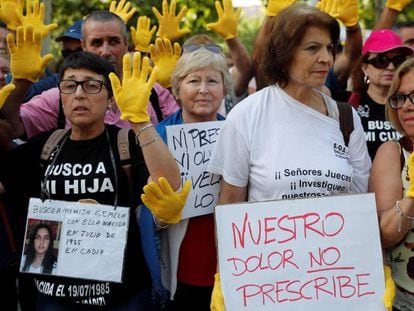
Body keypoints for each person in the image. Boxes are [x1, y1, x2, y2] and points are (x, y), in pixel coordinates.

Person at [207, 2, 371, 304]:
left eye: (329, 47)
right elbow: (229, 206)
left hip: (337, 288)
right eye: (312, 48)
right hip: (269, 289)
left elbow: (362, 208)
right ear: (283, 52)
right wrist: (228, 280)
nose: (325, 58)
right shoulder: (246, 116)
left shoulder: (347, 120)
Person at [0, 50, 180, 309]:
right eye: (70, 85)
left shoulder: (127, 143)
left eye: (92, 86)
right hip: (52, 297)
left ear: (110, 99)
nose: (80, 94)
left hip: (121, 296)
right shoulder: (44, 146)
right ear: (60, 96)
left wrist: (140, 122)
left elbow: (170, 185)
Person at [1, 10, 178, 139]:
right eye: (97, 43)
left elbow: (187, 134)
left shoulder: (154, 93)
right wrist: (21, 82)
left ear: (126, 45)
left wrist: (173, 87)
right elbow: (12, 128)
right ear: (83, 45)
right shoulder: (62, 95)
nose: (105, 51)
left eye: (113, 41)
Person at [149, 47, 232, 310]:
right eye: (194, 80)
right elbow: (144, 211)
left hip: (226, 267)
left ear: (224, 88)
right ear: (177, 88)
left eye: (212, 81)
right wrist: (159, 216)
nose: (203, 89)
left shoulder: (238, 134)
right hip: (178, 266)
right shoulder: (157, 137)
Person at [369, 57, 414, 311]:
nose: (406, 106)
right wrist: (411, 197)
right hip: (405, 299)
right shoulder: (392, 152)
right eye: (400, 98)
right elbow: (384, 235)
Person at [349, 29, 413, 160]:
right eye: (381, 60)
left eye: (398, 60)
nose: (390, 67)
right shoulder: (349, 103)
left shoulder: (409, 106)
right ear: (364, 67)